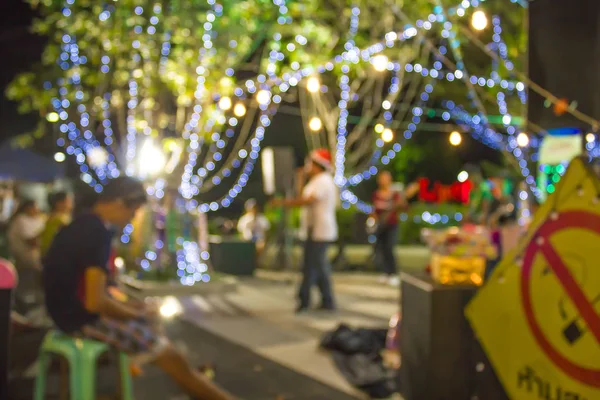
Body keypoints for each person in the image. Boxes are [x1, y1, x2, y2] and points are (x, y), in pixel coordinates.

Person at [43, 177, 233, 400]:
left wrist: (131, 307)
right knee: (166, 349)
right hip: (79, 320)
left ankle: (182, 373)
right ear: (119, 203)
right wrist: (135, 312)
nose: (132, 219)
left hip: (62, 312)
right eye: (133, 211)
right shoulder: (97, 233)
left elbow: (90, 291)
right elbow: (95, 303)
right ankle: (192, 379)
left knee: (153, 325)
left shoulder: (81, 224)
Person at [271, 149, 338, 313]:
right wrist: (300, 178)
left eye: (310, 163)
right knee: (319, 267)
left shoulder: (323, 180)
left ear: (318, 165)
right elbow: (302, 195)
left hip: (319, 231)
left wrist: (283, 203)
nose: (307, 166)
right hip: (313, 231)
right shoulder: (315, 181)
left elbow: (307, 201)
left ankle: (304, 300)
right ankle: (327, 301)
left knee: (310, 267)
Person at [371, 172, 419, 286]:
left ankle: (393, 273)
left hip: (391, 225)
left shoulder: (395, 194)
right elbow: (374, 209)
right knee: (381, 249)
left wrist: (403, 201)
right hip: (380, 225)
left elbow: (404, 207)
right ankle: (385, 272)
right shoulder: (376, 194)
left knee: (389, 248)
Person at [8, 200, 46, 310]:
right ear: (27, 208)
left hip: (33, 259)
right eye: (35, 207)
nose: (37, 210)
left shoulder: (37, 219)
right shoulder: (21, 220)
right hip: (25, 259)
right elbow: (30, 240)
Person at [40, 191, 73, 256]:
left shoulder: (50, 216)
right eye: (68, 201)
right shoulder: (60, 219)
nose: (71, 203)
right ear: (59, 203)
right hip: (55, 255)